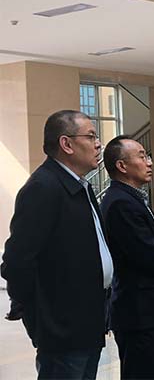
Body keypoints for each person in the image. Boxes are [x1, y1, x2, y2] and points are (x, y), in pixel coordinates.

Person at [1, 109, 113, 379]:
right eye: (91, 136)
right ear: (66, 144)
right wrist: (41, 320)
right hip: (63, 330)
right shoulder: (44, 188)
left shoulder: (79, 185)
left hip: (88, 321)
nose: (98, 144)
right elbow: (16, 262)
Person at [100, 136, 154, 379]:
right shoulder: (120, 203)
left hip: (147, 308)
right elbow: (146, 253)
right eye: (141, 156)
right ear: (121, 165)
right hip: (138, 311)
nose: (149, 162)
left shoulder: (131, 197)